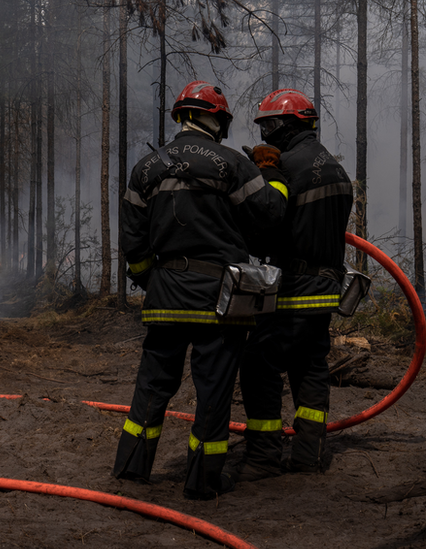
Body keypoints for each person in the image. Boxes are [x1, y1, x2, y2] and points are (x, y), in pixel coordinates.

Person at [112, 81, 288, 500]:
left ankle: (131, 468)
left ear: (181, 118)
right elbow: (270, 216)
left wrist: (150, 280)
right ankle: (202, 480)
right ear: (218, 119)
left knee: (153, 386)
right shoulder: (233, 164)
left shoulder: (145, 168)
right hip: (220, 301)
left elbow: (133, 243)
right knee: (213, 391)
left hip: (166, 296)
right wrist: (273, 176)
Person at [232, 88, 354, 482]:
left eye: (270, 125)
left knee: (258, 365)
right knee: (310, 368)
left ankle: (264, 457)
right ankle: (308, 454)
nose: (266, 134)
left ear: (290, 125)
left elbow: (269, 224)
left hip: (293, 288)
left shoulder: (285, 165)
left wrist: (264, 176)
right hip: (326, 288)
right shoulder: (335, 168)